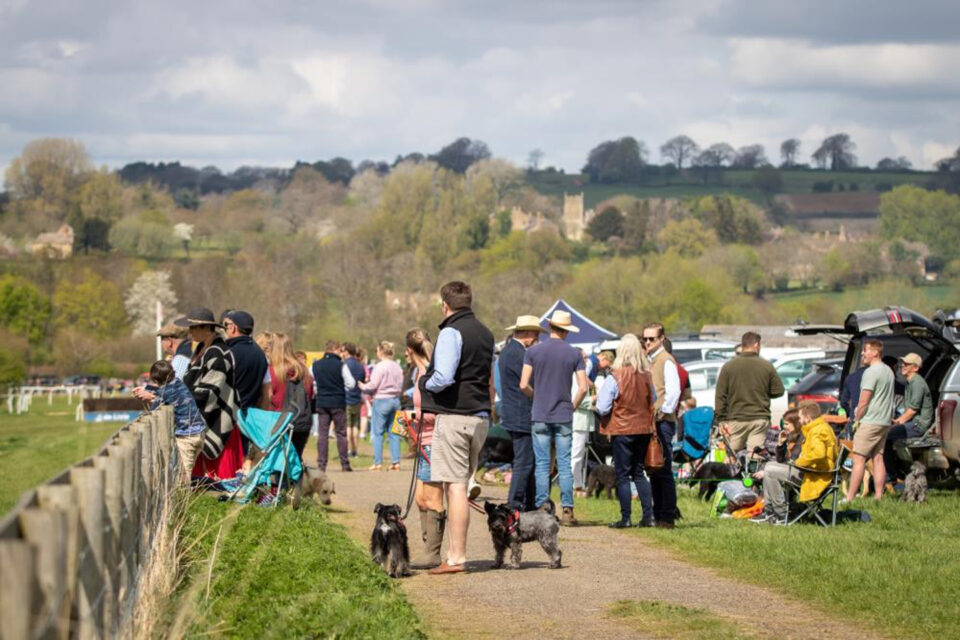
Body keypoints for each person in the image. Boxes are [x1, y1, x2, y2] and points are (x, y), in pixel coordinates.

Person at [419, 281, 494, 575]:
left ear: (444, 305)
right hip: (480, 415)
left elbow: (444, 376)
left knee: (455, 487)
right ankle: (455, 554)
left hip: (455, 415)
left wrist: (424, 383)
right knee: (462, 483)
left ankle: (456, 557)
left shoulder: (451, 331)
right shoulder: (486, 333)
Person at [519, 310, 589, 526]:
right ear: (566, 331)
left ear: (550, 327)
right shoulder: (574, 354)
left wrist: (537, 396)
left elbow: (523, 384)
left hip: (540, 414)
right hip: (563, 415)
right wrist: (572, 406)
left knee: (542, 465)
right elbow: (583, 387)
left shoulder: (533, 352)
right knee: (565, 464)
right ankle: (567, 510)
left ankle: (543, 509)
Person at [595, 334, 656, 528]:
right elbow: (653, 400)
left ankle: (626, 518)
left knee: (622, 475)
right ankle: (649, 517)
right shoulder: (647, 376)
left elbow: (602, 407)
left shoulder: (615, 376)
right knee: (639, 473)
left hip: (622, 430)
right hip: (643, 430)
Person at [175, 308, 242, 480]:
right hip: (202, 421)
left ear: (206, 328)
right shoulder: (201, 350)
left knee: (221, 482)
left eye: (193, 328)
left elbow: (209, 392)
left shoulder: (218, 352)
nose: (190, 332)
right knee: (199, 482)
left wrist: (178, 400)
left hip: (217, 420)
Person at [752, 400, 838, 523]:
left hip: (814, 475)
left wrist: (799, 463)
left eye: (801, 417)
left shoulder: (818, 431)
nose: (800, 420)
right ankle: (770, 511)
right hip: (812, 471)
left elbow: (818, 454)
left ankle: (781, 514)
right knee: (769, 466)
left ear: (807, 417)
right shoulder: (818, 428)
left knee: (770, 471)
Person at [404, 329, 446, 568]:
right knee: (420, 499)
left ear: (410, 350)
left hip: (434, 441)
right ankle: (427, 547)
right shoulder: (419, 373)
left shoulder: (431, 375)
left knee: (433, 499)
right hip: (423, 441)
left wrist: (413, 416)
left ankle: (433, 553)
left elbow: (438, 413)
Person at [134, 360, 207, 482]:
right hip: (199, 433)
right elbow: (161, 391)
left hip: (187, 437)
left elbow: (154, 410)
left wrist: (144, 411)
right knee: (185, 470)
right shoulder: (178, 383)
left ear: (156, 380)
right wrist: (146, 388)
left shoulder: (165, 393)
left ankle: (184, 493)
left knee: (183, 474)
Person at [498, 316, 542, 511]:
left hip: (515, 412)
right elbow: (529, 382)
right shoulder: (518, 354)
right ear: (528, 333)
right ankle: (515, 504)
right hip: (521, 414)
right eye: (536, 334)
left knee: (527, 462)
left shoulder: (510, 351)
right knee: (524, 462)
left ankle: (528, 503)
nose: (537, 339)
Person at [714, 332, 785, 455]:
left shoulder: (728, 366)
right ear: (756, 344)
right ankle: (752, 466)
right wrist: (762, 393)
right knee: (755, 456)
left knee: (732, 455)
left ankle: (732, 466)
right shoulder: (766, 366)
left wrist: (721, 419)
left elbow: (720, 395)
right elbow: (779, 391)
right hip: (759, 419)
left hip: (736, 420)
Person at [844, 339, 895, 502]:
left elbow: (864, 400)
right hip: (884, 421)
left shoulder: (871, 372)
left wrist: (856, 418)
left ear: (875, 353)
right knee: (878, 458)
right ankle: (879, 496)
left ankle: (850, 498)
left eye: (865, 350)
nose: (862, 354)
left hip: (870, 421)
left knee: (858, 459)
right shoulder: (888, 370)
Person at [641, 322, 680, 528]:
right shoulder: (650, 360)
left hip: (662, 422)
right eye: (645, 339)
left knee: (663, 469)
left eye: (652, 339)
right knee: (653, 469)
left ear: (662, 339)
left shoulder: (666, 360)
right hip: (652, 422)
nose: (647, 342)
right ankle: (657, 513)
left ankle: (667, 516)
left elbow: (673, 392)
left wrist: (662, 412)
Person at [884, 353, 934, 481]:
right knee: (884, 433)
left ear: (915, 368)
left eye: (907, 364)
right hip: (912, 422)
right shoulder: (910, 382)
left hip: (919, 425)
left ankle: (890, 476)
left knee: (884, 436)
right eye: (903, 363)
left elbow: (912, 411)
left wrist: (897, 423)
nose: (903, 366)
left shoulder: (917, 382)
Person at [312, 339, 357, 472]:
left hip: (322, 402)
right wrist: (340, 388)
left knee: (323, 434)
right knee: (341, 433)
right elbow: (351, 384)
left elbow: (313, 383)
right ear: (335, 349)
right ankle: (345, 464)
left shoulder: (315, 365)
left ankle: (322, 464)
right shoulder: (341, 365)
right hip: (338, 402)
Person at [360, 341, 404, 471]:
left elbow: (373, 384)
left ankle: (377, 463)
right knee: (394, 433)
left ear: (380, 352)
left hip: (381, 400)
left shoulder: (379, 366)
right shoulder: (397, 367)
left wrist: (362, 386)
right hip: (395, 400)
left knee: (377, 433)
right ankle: (396, 462)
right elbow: (401, 384)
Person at [223, 311, 270, 411]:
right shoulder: (261, 355)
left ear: (234, 328)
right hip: (250, 415)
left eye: (226, 325)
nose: (225, 328)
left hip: (228, 414)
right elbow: (267, 393)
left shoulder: (228, 353)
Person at [571, 366, 595, 498]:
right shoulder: (574, 377)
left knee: (579, 455)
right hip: (578, 420)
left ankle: (578, 485)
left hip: (584, 421)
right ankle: (572, 485)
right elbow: (576, 399)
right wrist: (593, 400)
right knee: (576, 455)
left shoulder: (583, 376)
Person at [343, 342, 368, 458]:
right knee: (355, 426)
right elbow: (362, 381)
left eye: (343, 351)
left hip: (346, 398)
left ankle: (349, 450)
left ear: (347, 351)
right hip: (357, 399)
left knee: (348, 426)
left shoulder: (344, 365)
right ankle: (355, 451)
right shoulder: (360, 366)